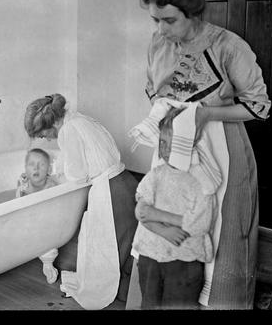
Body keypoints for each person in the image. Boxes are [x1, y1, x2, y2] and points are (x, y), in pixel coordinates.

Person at [138, 0, 271, 309]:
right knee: (169, 228)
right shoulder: (158, 43)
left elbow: (259, 108)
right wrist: (164, 114)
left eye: (168, 21)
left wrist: (205, 113)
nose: (160, 30)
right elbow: (154, 91)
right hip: (172, 149)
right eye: (155, 20)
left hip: (221, 149)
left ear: (192, 13)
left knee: (221, 232)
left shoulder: (229, 47)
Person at [24, 94, 138, 306]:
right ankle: (130, 289)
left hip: (111, 191)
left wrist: (52, 179)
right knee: (125, 244)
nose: (47, 139)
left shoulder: (67, 131)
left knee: (109, 249)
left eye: (44, 134)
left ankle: (124, 293)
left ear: (50, 124)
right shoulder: (80, 119)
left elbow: (78, 177)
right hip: (127, 182)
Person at [131, 106, 217, 309]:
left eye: (174, 143)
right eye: (162, 142)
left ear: (192, 144)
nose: (166, 149)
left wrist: (158, 215)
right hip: (151, 256)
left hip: (184, 259)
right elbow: (141, 212)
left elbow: (201, 224)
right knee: (149, 303)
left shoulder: (202, 180)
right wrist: (164, 230)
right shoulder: (156, 175)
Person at [15, 148, 61, 284]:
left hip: (45, 224)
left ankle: (46, 256)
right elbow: (17, 204)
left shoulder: (50, 186)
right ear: (25, 168)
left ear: (48, 169)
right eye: (31, 164)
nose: (36, 168)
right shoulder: (24, 185)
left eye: (41, 165)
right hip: (27, 221)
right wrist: (20, 190)